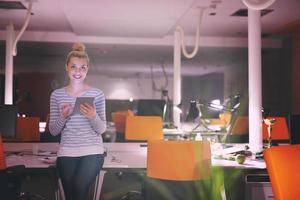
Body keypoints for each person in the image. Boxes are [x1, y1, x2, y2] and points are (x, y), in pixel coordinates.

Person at [49, 42, 106, 200]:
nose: (78, 71)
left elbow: (101, 129)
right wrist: (63, 117)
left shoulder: (97, 94)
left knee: (79, 188)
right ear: (66, 67)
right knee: (71, 196)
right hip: (67, 151)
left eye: (83, 67)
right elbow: (53, 131)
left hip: (92, 150)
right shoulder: (56, 95)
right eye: (74, 66)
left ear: (87, 69)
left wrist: (93, 116)